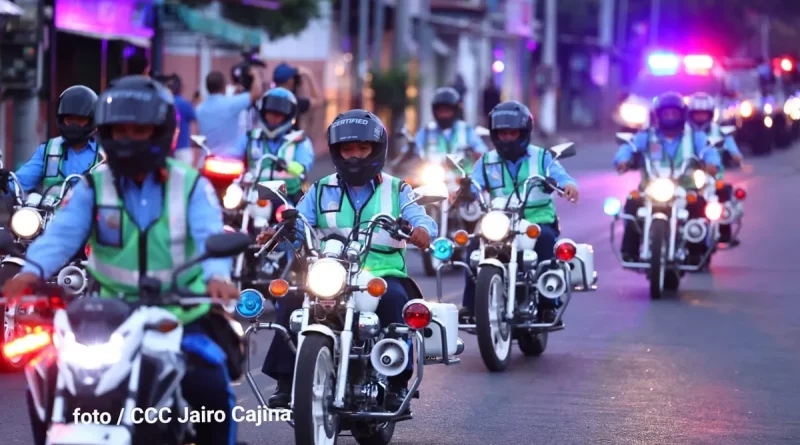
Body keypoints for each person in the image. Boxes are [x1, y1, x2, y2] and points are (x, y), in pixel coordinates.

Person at [1, 75, 241, 445]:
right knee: (45, 374)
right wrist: (30, 272)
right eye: (120, 129)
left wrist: (217, 277)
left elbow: (210, 233)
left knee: (211, 382)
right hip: (107, 316)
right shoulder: (95, 185)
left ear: (161, 132)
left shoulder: (191, 185)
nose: (128, 138)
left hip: (179, 315)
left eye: (140, 129)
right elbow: (62, 234)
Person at [254, 109, 437, 410]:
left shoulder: (397, 188)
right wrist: (278, 232)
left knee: (394, 301)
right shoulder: (320, 188)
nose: (354, 157)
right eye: (347, 149)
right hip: (329, 270)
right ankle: (286, 381)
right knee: (290, 299)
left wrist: (421, 230)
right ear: (337, 151)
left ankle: (396, 381)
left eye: (362, 149)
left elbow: (420, 216)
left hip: (382, 272)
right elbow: (300, 223)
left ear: (376, 150)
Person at [457, 101, 579, 325]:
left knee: (545, 241)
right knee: (474, 245)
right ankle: (470, 304)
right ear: (495, 135)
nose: (508, 138)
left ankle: (547, 304)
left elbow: (563, 178)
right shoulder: (486, 160)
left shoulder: (542, 157)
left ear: (524, 133)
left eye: (513, 133)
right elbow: (474, 183)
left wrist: (567, 186)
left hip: (537, 221)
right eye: (502, 134)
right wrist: (466, 191)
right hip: (499, 221)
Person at [613, 91, 722, 264]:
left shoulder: (694, 136)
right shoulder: (647, 135)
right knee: (632, 203)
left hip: (686, 189)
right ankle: (630, 250)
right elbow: (629, 146)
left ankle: (697, 250)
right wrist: (623, 160)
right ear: (658, 116)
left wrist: (712, 164)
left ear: (682, 115)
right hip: (651, 189)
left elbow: (709, 151)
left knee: (699, 205)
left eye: (674, 113)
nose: (670, 117)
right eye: (666, 113)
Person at [0, 85, 104, 197]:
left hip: (91, 214)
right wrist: (4, 183)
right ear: (61, 119)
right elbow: (20, 182)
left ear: (92, 120)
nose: (74, 125)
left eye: (80, 120)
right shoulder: (48, 150)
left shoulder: (105, 155)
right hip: (52, 213)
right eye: (69, 119)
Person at [229, 88, 313, 204]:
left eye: (279, 114)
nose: (274, 117)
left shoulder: (299, 141)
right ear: (263, 112)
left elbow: (303, 166)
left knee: (299, 219)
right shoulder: (250, 137)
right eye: (270, 112)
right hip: (253, 198)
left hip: (286, 200)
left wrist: (290, 166)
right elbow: (231, 158)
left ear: (288, 116)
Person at [687, 92, 742, 244]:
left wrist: (736, 156)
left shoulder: (719, 131)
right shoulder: (685, 133)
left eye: (703, 114)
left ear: (710, 114)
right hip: (689, 176)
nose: (700, 117)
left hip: (713, 176)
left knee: (724, 192)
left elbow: (732, 147)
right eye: (696, 114)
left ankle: (725, 232)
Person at [414, 87, 488, 173]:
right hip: (432, 180)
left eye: (447, 111)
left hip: (462, 181)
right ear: (434, 111)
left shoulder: (466, 130)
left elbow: (481, 150)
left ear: (455, 111)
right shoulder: (426, 131)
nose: (443, 114)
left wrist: (477, 154)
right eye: (440, 110)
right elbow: (413, 150)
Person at [196, 69, 264, 154]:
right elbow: (256, 94)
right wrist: (256, 74)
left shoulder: (199, 109)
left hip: (207, 158)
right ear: (223, 87)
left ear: (207, 87)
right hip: (230, 159)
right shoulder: (231, 104)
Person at [272, 62, 322, 130]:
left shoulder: (269, 99)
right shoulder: (292, 102)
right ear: (289, 81)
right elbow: (317, 100)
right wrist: (308, 74)